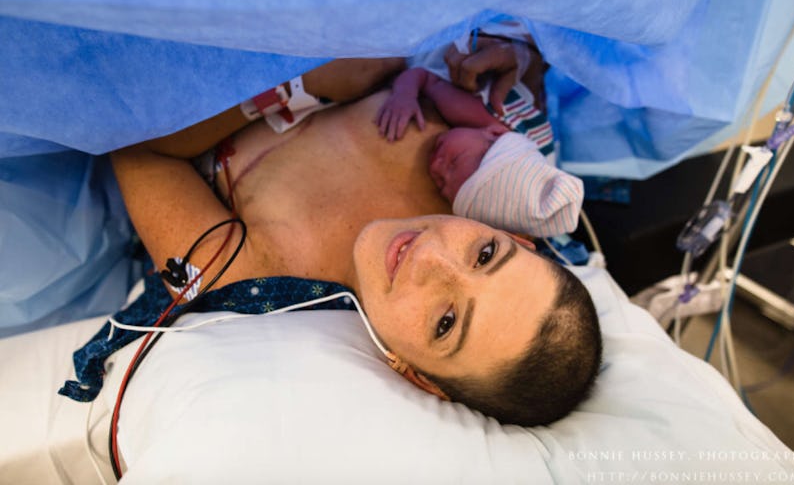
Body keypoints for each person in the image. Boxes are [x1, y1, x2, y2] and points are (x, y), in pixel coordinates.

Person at [73, 42, 602, 427]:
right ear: (518, 239)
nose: (432, 257)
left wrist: (304, 87)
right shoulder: (486, 166)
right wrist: (518, 50)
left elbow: (138, 148)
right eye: (486, 253)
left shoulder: (248, 283)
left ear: (416, 376)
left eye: (445, 322)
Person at [374, 63, 584, 238]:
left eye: (442, 186)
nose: (437, 168)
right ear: (493, 133)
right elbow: (422, 75)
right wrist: (404, 95)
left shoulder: (500, 179)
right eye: (454, 161)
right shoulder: (481, 116)